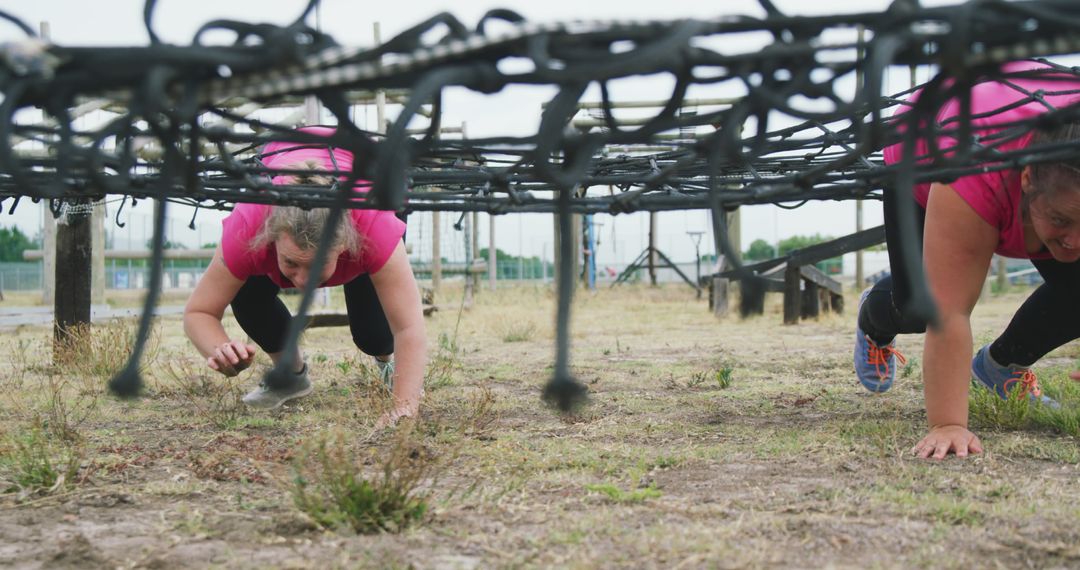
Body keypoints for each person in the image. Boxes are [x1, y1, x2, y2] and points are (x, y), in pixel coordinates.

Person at [854, 60, 1080, 460]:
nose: (1076, 241)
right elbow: (950, 312)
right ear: (1027, 180)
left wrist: (1059, 224)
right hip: (926, 147)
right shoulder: (972, 170)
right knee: (917, 309)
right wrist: (949, 423)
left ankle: (1001, 366)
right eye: (1062, 220)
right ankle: (874, 320)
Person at [183, 126, 426, 425]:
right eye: (292, 263)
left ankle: (387, 365)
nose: (302, 281)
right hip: (285, 151)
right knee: (246, 298)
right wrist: (220, 349)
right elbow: (199, 311)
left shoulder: (374, 226)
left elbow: (409, 326)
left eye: (316, 265)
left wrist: (404, 406)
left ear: (345, 245)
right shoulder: (249, 226)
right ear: (271, 238)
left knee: (374, 335)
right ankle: (290, 374)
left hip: (363, 169)